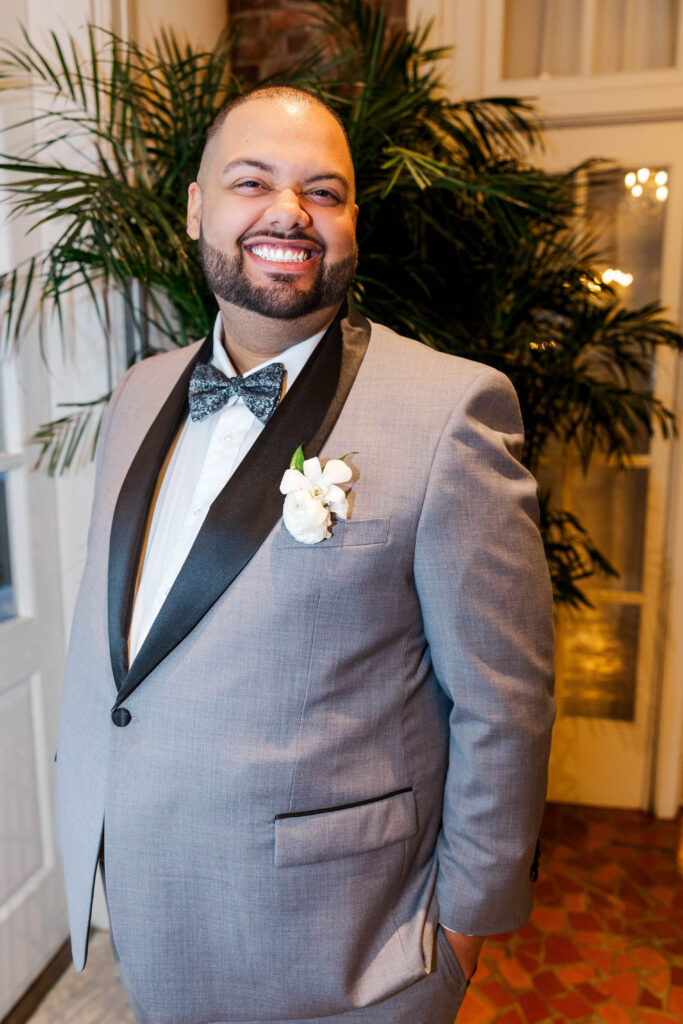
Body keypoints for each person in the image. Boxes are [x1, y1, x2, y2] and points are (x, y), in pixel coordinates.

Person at [55, 85, 555, 1024]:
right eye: (254, 181)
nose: (290, 212)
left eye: (324, 191)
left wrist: (461, 939)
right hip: (156, 909)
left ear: (352, 223)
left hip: (349, 952)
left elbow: (505, 703)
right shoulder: (137, 394)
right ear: (198, 207)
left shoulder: (452, 410)